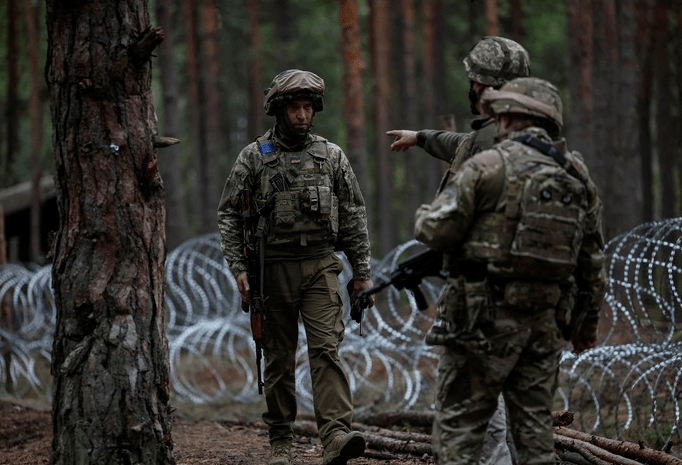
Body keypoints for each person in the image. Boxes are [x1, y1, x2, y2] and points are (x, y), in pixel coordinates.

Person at [413, 77, 606, 465]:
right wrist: (585, 327)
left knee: (459, 430)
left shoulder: (488, 165)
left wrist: (424, 213)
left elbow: (433, 230)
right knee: (535, 432)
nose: (497, 125)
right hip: (547, 323)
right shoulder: (577, 177)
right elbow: (592, 264)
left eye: (502, 116)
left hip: (481, 322)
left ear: (514, 119)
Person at [217, 69, 375, 465]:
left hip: (321, 265)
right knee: (279, 357)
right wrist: (239, 268)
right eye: (294, 108)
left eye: (307, 107)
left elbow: (354, 214)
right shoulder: (254, 158)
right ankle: (281, 443)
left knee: (326, 349)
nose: (302, 115)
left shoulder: (331, 156)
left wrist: (362, 273)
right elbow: (229, 215)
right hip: (271, 270)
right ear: (279, 110)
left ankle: (336, 435)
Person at [389, 36, 532, 465]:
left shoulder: (490, 147)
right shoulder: (525, 136)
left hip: (481, 297)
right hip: (529, 296)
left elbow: (443, 227)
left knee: (471, 406)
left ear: (485, 85)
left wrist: (428, 224)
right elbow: (460, 144)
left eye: (473, 79)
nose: (468, 86)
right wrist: (421, 137)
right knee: (522, 409)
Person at [387, 35, 531, 175]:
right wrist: (419, 137)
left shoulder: (487, 143)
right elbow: (464, 143)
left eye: (472, 82)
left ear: (479, 85)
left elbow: (455, 197)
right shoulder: (535, 132)